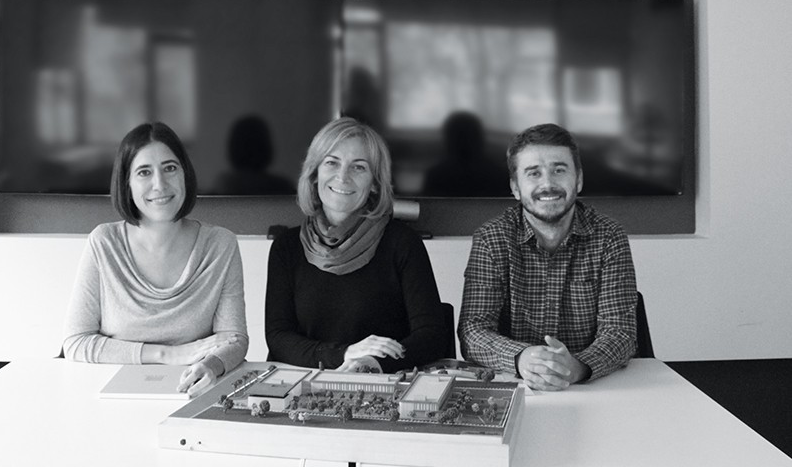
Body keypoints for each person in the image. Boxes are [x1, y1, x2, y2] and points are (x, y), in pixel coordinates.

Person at [62, 122, 248, 397]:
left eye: (170, 168)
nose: (160, 184)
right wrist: (168, 354)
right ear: (126, 183)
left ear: (185, 174)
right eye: (144, 172)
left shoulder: (220, 244)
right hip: (107, 394)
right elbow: (76, 343)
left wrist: (211, 366)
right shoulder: (103, 243)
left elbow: (234, 339)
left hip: (192, 391)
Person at [458, 123, 637, 391]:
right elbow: (473, 330)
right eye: (534, 173)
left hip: (593, 388)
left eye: (559, 170)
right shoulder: (492, 239)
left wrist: (576, 366)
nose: (548, 184)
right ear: (515, 187)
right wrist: (522, 358)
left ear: (578, 180)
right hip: (518, 387)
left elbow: (621, 332)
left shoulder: (609, 237)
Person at [265, 117, 447, 373]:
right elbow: (278, 337)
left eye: (358, 167)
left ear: (374, 183)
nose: (342, 177)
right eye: (332, 162)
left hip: (380, 383)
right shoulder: (286, 247)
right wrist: (344, 354)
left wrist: (372, 363)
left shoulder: (403, 243)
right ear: (315, 174)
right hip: (304, 384)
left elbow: (431, 336)